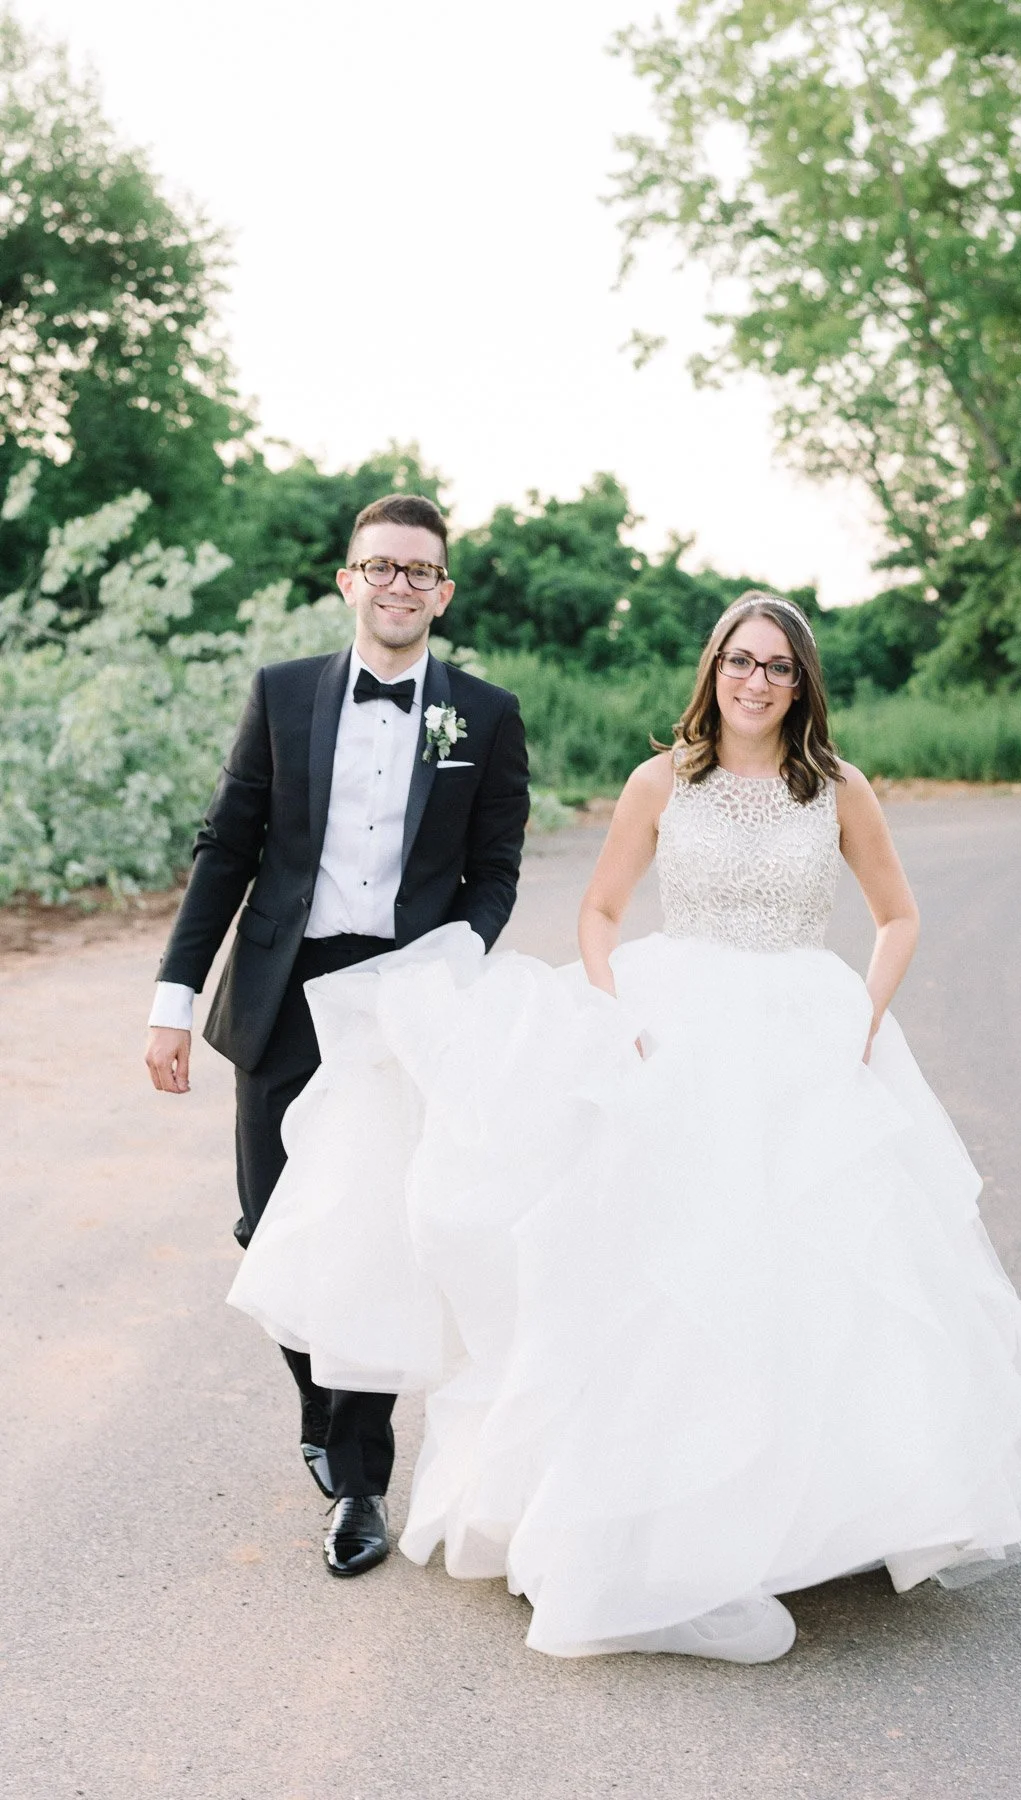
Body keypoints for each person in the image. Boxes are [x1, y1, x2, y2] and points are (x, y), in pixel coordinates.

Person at [228, 592, 1021, 1661]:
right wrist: (615, 1011)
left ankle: (814, 1505)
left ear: (802, 685)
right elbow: (601, 911)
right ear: (711, 669)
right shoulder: (661, 781)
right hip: (675, 1025)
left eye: (778, 668)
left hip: (805, 1027)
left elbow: (897, 916)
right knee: (662, 1263)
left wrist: (864, 1012)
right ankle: (665, 1506)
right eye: (740, 662)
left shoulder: (835, 789)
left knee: (814, 1257)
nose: (756, 682)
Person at [144, 493, 530, 1578]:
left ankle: (361, 1485)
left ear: (442, 592)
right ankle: (321, 1402)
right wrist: (173, 1000)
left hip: (401, 1003)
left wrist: (447, 968)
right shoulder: (282, 697)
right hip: (282, 994)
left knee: (371, 1242)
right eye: (381, 567)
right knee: (269, 1229)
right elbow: (227, 850)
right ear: (346, 579)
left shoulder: (486, 717)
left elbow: (494, 871)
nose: (399, 585)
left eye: (420, 571)